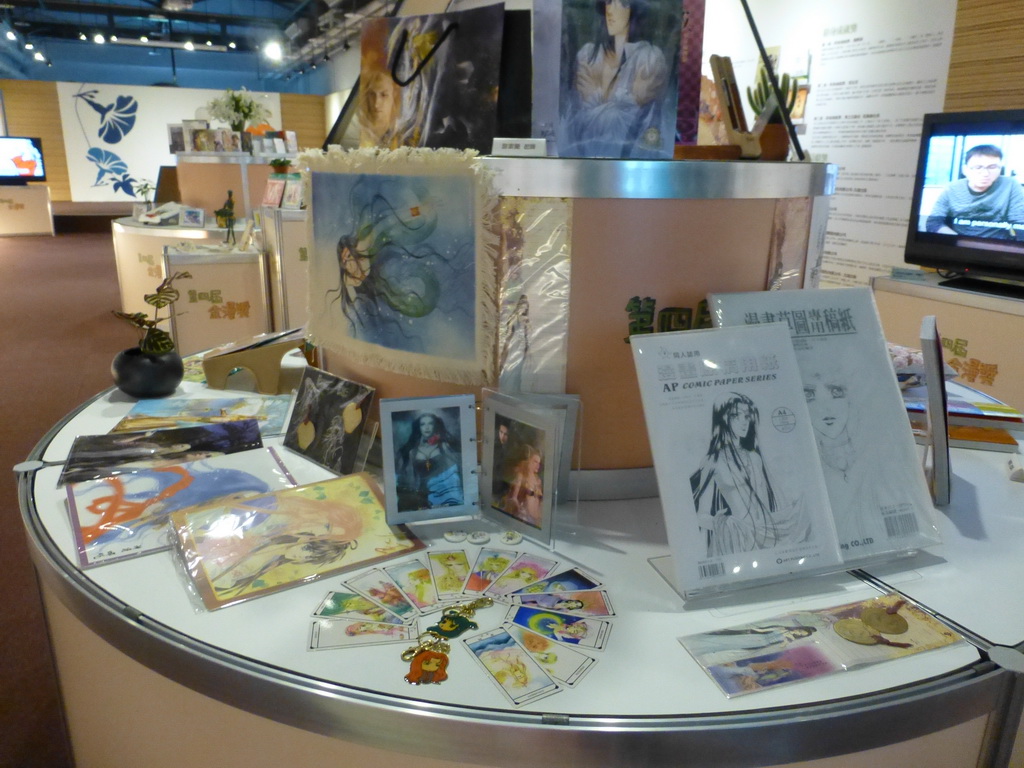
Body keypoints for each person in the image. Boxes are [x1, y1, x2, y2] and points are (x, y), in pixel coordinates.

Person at [564, 0, 669, 158]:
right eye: (609, 2)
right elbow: (580, 122)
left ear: (634, 10)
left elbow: (630, 117)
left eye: (621, 4)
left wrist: (602, 106)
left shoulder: (650, 58)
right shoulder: (588, 56)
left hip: (635, 164)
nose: (610, 11)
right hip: (586, 162)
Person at [690, 392, 789, 556]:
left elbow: (765, 505)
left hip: (766, 533)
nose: (744, 421)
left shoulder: (754, 458)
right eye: (736, 415)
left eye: (747, 416)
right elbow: (701, 516)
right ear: (723, 419)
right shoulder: (712, 461)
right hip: (737, 539)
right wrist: (724, 524)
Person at [926, 144, 1024, 240]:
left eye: (992, 167)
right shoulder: (952, 188)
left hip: (997, 245)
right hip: (959, 243)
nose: (985, 174)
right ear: (965, 170)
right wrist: (960, 242)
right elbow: (933, 222)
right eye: (978, 167)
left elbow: (1019, 222)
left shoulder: (1010, 185)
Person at [396, 411, 463, 511]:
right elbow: (407, 477)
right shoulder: (412, 452)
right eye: (423, 424)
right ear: (419, 427)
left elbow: (457, 471)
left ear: (435, 426)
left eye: (430, 423)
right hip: (422, 498)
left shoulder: (445, 447)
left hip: (443, 497)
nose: (426, 427)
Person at [501, 445, 544, 527]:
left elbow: (540, 502)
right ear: (529, 461)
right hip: (524, 518)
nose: (538, 465)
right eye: (535, 462)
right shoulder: (521, 476)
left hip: (536, 520)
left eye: (539, 463)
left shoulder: (538, 480)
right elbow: (514, 498)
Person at [359, 69, 402, 148]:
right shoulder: (359, 131)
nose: (376, 104)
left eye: (384, 95)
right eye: (372, 94)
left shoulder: (402, 134)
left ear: (394, 96)